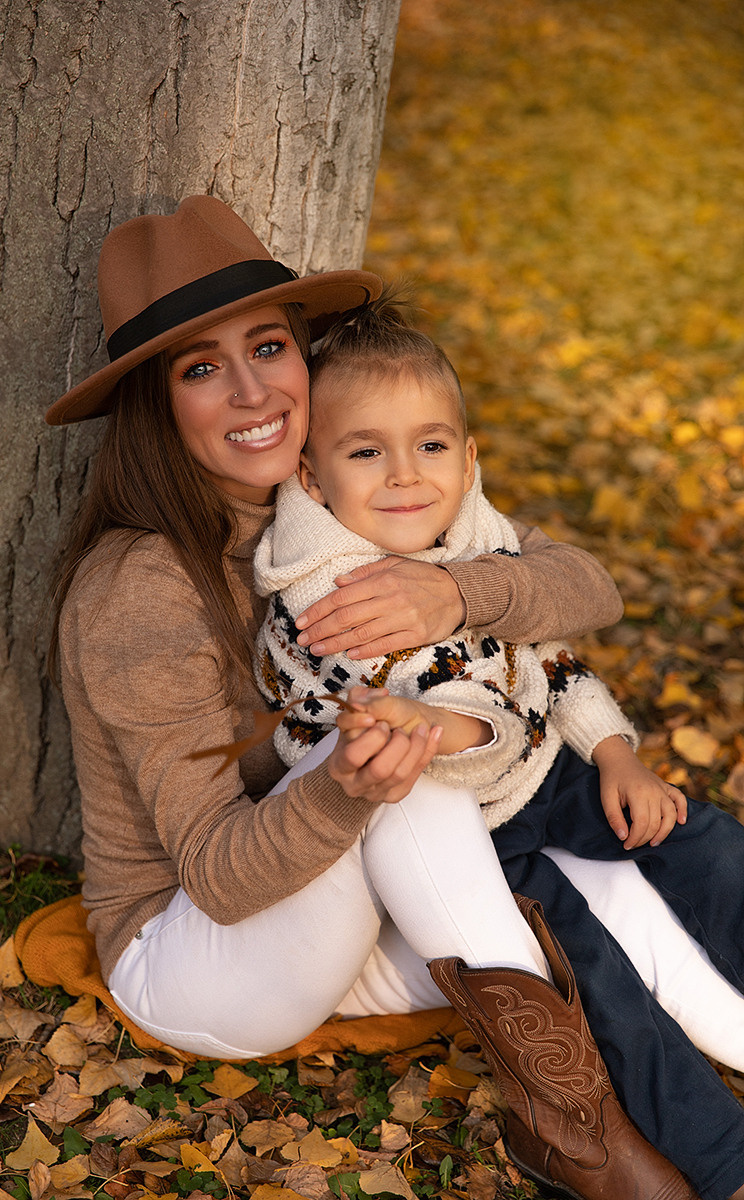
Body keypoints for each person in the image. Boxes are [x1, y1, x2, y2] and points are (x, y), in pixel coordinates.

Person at [43, 194, 731, 1200]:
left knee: (605, 886)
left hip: (351, 903)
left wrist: (455, 590)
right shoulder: (141, 589)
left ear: (306, 356)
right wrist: (353, 781)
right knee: (411, 777)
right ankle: (592, 1149)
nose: (248, 392)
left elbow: (581, 588)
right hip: (201, 952)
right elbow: (222, 878)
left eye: (267, 348)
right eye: (200, 370)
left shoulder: (348, 490)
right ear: (158, 404)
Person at [252, 293, 744, 1199]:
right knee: (595, 981)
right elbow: (346, 723)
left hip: (546, 774)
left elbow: (550, 666)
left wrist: (616, 754)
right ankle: (722, 1162)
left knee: (703, 841)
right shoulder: (323, 601)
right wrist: (426, 726)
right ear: (313, 479)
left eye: (432, 445)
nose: (408, 476)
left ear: (470, 457)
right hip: (464, 843)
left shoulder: (480, 539)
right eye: (367, 452)